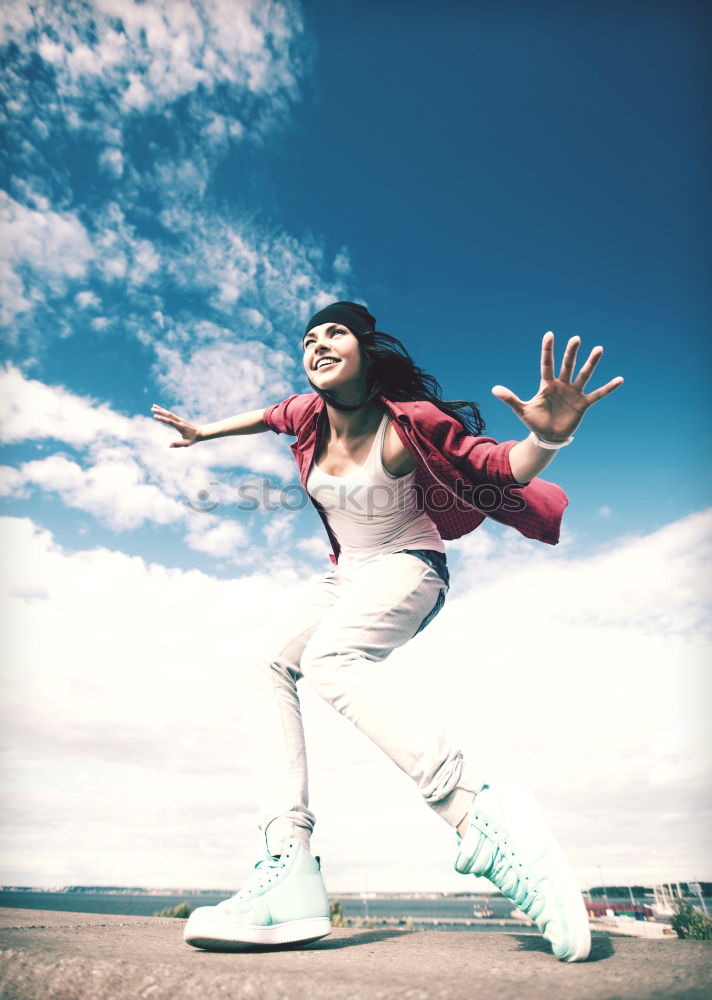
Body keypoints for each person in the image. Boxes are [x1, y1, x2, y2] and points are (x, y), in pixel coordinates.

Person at [151, 301, 623, 962]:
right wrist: (203, 434)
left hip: (412, 566)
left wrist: (547, 438)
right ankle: (287, 866)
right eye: (308, 338)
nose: (318, 343)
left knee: (331, 660)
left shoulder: (410, 425)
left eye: (334, 333)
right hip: (348, 574)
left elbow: (494, 466)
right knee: (261, 659)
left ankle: (475, 812)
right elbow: (263, 416)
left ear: (366, 352)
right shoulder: (305, 413)